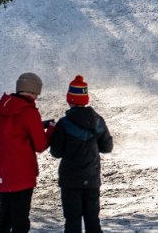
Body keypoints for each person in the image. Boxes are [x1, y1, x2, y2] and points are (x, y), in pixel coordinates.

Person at [49, 75, 114, 233]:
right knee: (93, 221)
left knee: (72, 222)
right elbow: (107, 147)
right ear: (86, 99)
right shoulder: (97, 121)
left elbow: (56, 152)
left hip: (70, 181)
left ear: (69, 99)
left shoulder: (64, 124)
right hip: (91, 179)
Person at [0, 72, 55, 233]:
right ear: (33, 92)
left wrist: (39, 124)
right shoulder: (29, 112)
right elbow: (40, 145)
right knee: (20, 219)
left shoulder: (0, 110)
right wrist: (51, 130)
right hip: (22, 175)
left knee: (4, 215)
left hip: (3, 173)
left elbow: (15, 129)